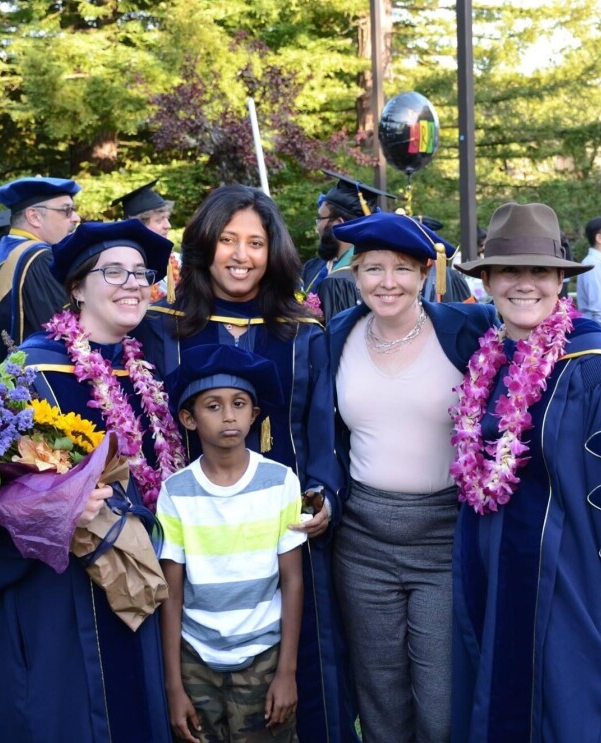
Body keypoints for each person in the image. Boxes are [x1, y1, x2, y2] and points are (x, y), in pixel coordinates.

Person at [0, 219, 184, 740]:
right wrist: (56, 504)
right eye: (113, 272)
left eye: (141, 273)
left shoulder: (147, 373)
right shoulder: (29, 372)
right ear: (76, 288)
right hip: (56, 587)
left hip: (135, 574)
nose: (134, 284)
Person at [451, 202, 601, 741]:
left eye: (540, 271)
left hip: (575, 596)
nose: (524, 284)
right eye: (509, 270)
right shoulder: (492, 359)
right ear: (486, 279)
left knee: (574, 719)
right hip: (494, 586)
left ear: (562, 278)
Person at [136, 185, 357, 743]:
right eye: (228, 240)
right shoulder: (164, 327)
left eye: (255, 243)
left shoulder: (301, 331)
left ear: (273, 251)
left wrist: (317, 506)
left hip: (279, 530)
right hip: (195, 532)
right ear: (204, 246)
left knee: (298, 677)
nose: (241, 255)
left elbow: (319, 438)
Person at [323, 211, 497, 742]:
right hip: (363, 541)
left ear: (426, 273)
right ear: (355, 276)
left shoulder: (469, 329)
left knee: (442, 701)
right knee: (380, 697)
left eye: (401, 268)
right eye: (373, 269)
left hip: (443, 540)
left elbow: (532, 357)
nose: (387, 282)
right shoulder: (334, 337)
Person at [159, 344, 305, 743]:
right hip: (196, 658)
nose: (229, 416)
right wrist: (174, 687)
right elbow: (171, 592)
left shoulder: (280, 482)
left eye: (239, 404)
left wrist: (287, 673)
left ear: (254, 414)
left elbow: (291, 580)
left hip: (262, 654)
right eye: (213, 406)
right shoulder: (175, 492)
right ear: (188, 418)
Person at [0, 176, 81, 371]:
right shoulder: (41, 258)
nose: (75, 218)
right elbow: (65, 329)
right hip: (35, 383)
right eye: (66, 210)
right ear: (34, 216)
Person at [310, 171, 397, 318]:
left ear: (338, 223)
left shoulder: (342, 280)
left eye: (320, 218)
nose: (317, 227)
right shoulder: (377, 268)